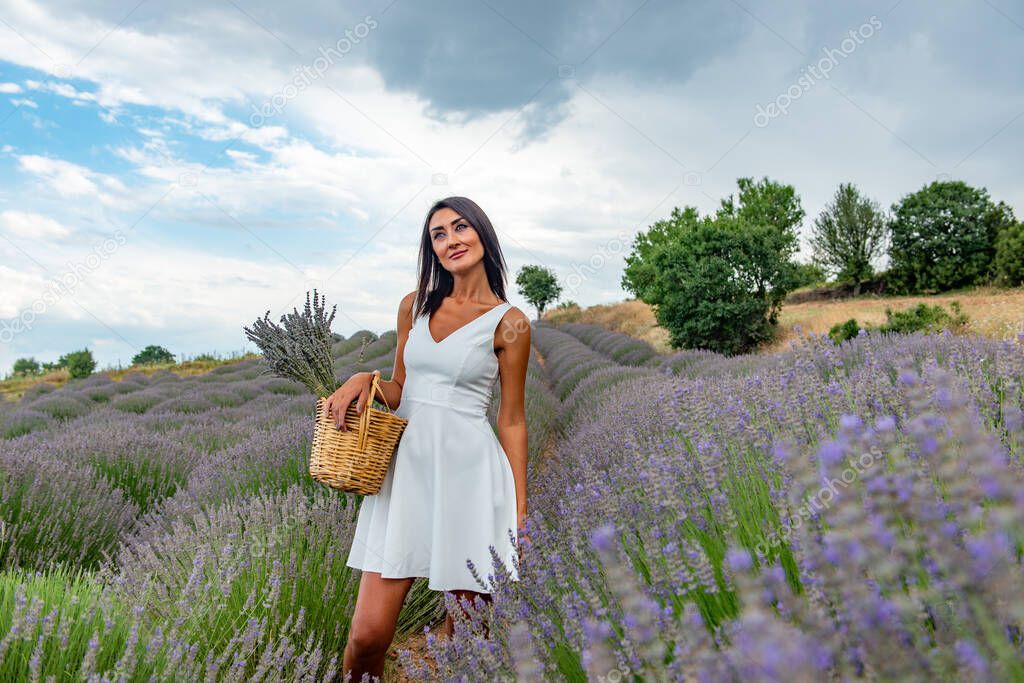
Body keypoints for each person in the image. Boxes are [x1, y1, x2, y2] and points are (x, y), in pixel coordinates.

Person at [325, 196, 531, 681]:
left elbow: (514, 419)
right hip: (407, 476)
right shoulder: (413, 306)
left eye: (460, 227)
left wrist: (520, 510)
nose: (451, 240)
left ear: (482, 234)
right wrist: (364, 379)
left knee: (463, 636)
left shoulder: (511, 323)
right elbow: (400, 391)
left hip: (472, 480)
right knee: (367, 637)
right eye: (438, 234)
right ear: (431, 249)